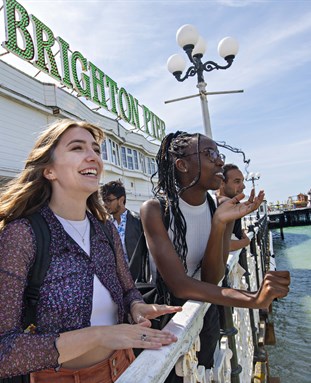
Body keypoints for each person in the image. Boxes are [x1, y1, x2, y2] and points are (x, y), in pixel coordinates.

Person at [0, 119, 181, 382]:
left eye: (96, 150)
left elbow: (128, 289)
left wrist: (136, 307)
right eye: (77, 148)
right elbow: (5, 350)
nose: (93, 157)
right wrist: (100, 334)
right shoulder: (22, 235)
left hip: (124, 366)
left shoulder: (105, 229)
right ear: (49, 170)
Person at [140, 131, 290, 380]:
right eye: (210, 154)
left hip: (205, 313)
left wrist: (221, 223)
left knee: (208, 369)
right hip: (169, 323)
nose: (219, 161)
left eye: (219, 154)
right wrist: (252, 299)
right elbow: (179, 285)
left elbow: (212, 276)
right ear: (183, 165)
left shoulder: (214, 207)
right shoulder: (155, 210)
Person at [101, 180, 148, 272]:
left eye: (109, 200)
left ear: (121, 200)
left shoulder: (138, 221)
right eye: (104, 201)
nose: (105, 205)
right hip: (116, 280)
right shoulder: (106, 226)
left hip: (137, 279)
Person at [217, 163, 251, 251]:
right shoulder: (224, 204)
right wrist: (246, 242)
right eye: (237, 181)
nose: (243, 186)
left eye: (242, 181)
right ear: (222, 183)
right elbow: (223, 245)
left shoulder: (220, 202)